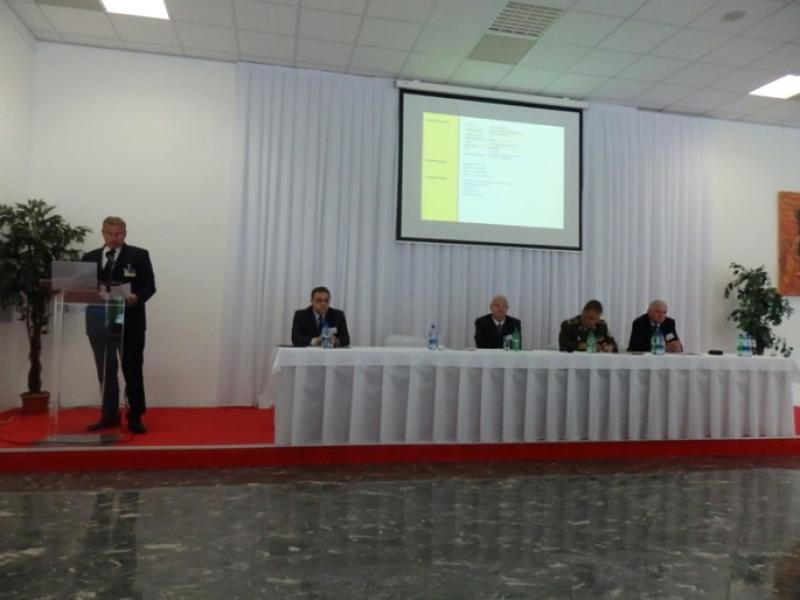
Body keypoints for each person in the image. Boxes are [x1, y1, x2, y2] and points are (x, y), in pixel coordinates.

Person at [83, 217, 156, 434]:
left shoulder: (138, 255)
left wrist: (136, 297)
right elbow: (82, 288)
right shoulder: (89, 258)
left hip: (129, 319)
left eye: (119, 234)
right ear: (102, 233)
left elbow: (150, 286)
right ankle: (109, 416)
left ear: (125, 233)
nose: (115, 238)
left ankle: (135, 416)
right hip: (99, 319)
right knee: (106, 371)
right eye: (110, 234)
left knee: (132, 369)